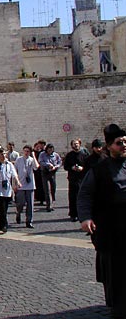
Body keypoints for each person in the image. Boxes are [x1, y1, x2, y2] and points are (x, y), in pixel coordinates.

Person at [78, 124, 126, 318]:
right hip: (111, 228)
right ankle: (119, 306)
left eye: (125, 142)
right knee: (115, 270)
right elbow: (85, 195)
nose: (123, 146)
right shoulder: (98, 170)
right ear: (109, 146)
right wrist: (86, 217)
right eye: (119, 143)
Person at [0, 147, 21, 233]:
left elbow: (14, 175)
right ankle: (4, 225)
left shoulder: (9, 164)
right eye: (1, 154)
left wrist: (18, 182)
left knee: (5, 207)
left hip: (7, 189)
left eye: (4, 154)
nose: (3, 156)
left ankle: (1, 223)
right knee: (1, 206)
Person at [63, 139, 89, 222]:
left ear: (80, 144)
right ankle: (73, 214)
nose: (76, 145)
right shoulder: (69, 155)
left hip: (83, 178)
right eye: (74, 144)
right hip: (73, 179)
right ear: (71, 146)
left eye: (77, 144)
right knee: (73, 197)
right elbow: (65, 166)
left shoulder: (85, 154)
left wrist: (83, 168)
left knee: (82, 197)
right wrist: (72, 168)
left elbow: (89, 165)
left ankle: (83, 214)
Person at [14, 145, 39, 228]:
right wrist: (14, 184)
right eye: (25, 151)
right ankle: (18, 213)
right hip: (20, 185)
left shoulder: (31, 160)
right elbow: (14, 173)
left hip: (30, 185)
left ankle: (29, 221)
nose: (26, 152)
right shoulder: (19, 160)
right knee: (20, 203)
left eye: (28, 151)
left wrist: (34, 156)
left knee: (30, 204)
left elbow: (36, 167)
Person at [38, 143, 62, 212]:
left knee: (53, 188)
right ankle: (49, 205)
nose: (50, 151)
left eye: (51, 150)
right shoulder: (42, 154)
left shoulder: (56, 155)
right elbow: (40, 161)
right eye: (49, 149)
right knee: (47, 189)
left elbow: (60, 162)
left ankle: (52, 203)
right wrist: (47, 164)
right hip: (45, 172)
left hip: (52, 173)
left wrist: (55, 167)